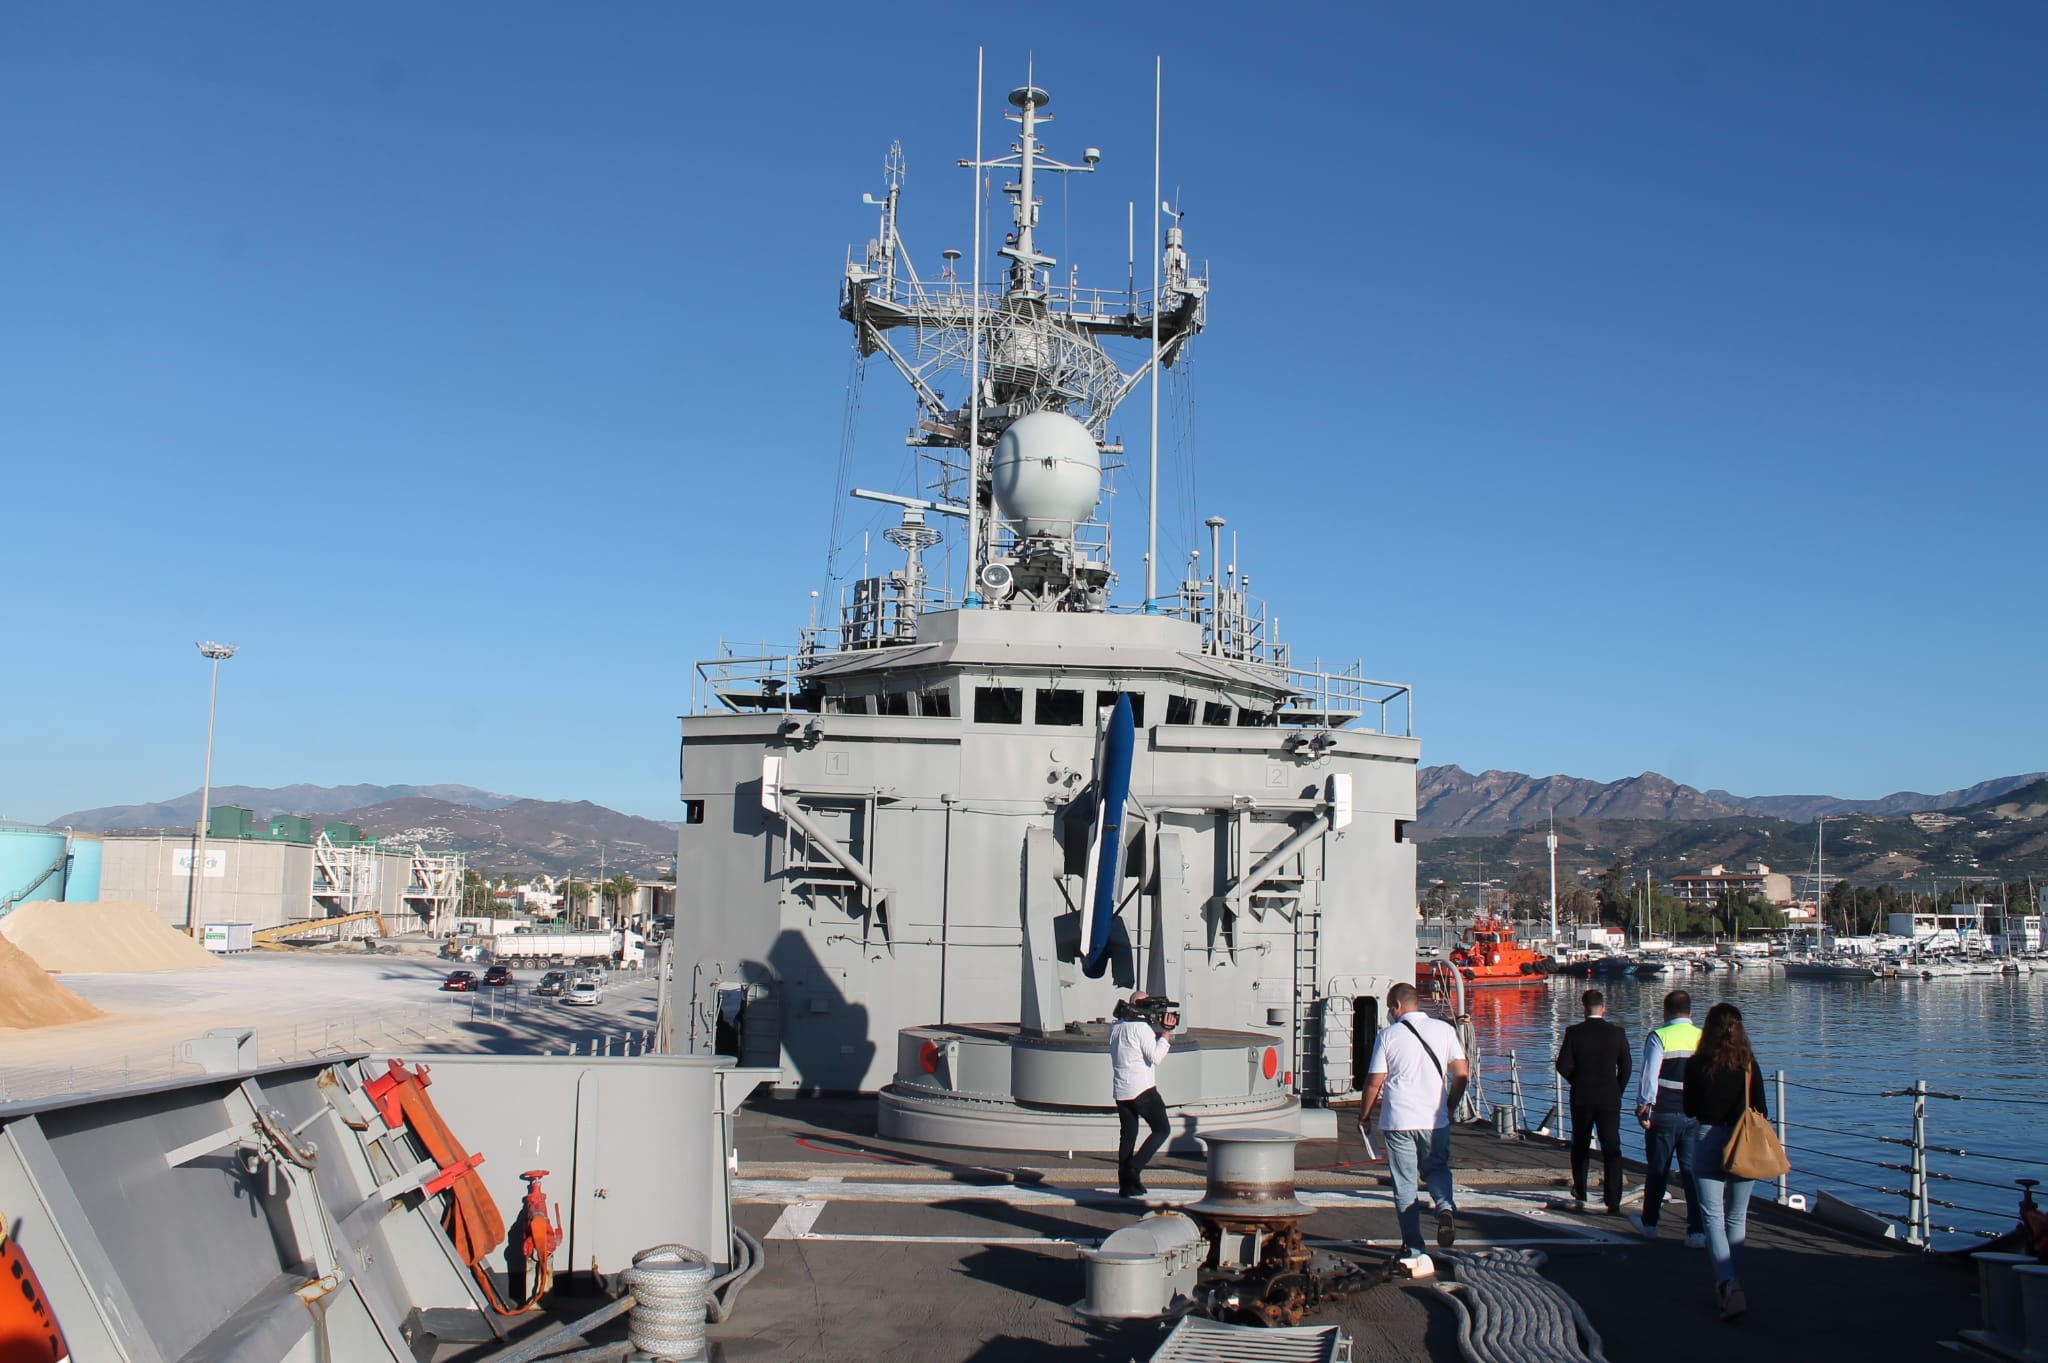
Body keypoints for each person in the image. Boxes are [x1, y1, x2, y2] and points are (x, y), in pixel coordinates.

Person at [1360, 981, 1470, 1265]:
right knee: (1436, 1169)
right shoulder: (1445, 1030)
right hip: (1434, 1118)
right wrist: (1449, 1106)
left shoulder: (1388, 1036)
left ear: (1396, 1006)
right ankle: (1444, 1207)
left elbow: (1375, 1081)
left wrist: (1365, 1115)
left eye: (1389, 1008)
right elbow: (1461, 1074)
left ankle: (1414, 1247)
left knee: (1405, 1183)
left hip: (1398, 1119)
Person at [1684, 1001, 1768, 1321]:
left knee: (1712, 1217)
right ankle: (1734, 1280)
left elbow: (1690, 1108)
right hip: (1742, 1140)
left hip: (1707, 1136)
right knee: (1737, 1216)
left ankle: (1726, 1281)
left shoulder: (1697, 1065)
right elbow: (1760, 1108)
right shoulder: (1748, 1065)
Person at [1629, 990, 1707, 1248]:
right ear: (1690, 1012)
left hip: (1663, 1112)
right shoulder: (1702, 1037)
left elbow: (1649, 1076)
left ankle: (1650, 1223)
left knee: (1658, 1169)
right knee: (1691, 1172)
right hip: (1693, 1114)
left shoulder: (1659, 1036)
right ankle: (1696, 1230)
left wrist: (1644, 1107)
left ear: (1666, 1011)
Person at [1554, 989, 1631, 1213]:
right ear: (1603, 1007)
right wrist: (1618, 1089)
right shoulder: (1617, 1033)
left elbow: (1563, 1065)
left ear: (1583, 1008)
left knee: (1580, 1145)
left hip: (1582, 1096)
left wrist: (1576, 1081)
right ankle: (1613, 1198)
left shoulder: (1574, 1032)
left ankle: (1581, 1190)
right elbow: (1626, 1066)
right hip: (1609, 1096)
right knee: (1612, 1148)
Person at [1109, 991, 1176, 1198]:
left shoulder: (1115, 1027)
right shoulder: (1142, 1028)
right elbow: (1155, 1057)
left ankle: (1126, 1185)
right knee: (1162, 1129)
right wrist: (1165, 1035)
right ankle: (1134, 1169)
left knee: (1127, 1137)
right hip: (1143, 1090)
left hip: (1122, 1091)